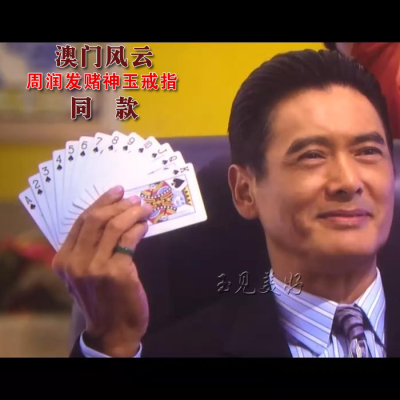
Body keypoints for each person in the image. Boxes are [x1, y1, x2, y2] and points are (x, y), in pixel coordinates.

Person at [54, 49, 400, 357]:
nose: (349, 182)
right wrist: (114, 345)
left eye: (368, 151)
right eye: (312, 155)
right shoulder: (174, 348)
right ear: (245, 192)